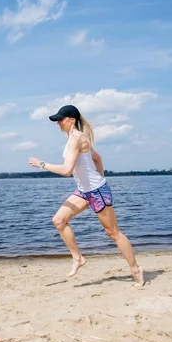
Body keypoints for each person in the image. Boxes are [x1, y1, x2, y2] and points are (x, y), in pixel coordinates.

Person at [29, 104, 144, 286]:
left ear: (71, 120)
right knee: (59, 220)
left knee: (113, 233)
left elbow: (67, 170)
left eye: (61, 119)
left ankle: (136, 269)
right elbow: (97, 158)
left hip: (97, 191)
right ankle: (78, 258)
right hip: (84, 192)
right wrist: (99, 177)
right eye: (57, 120)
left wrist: (41, 164)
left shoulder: (77, 138)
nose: (58, 123)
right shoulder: (73, 138)